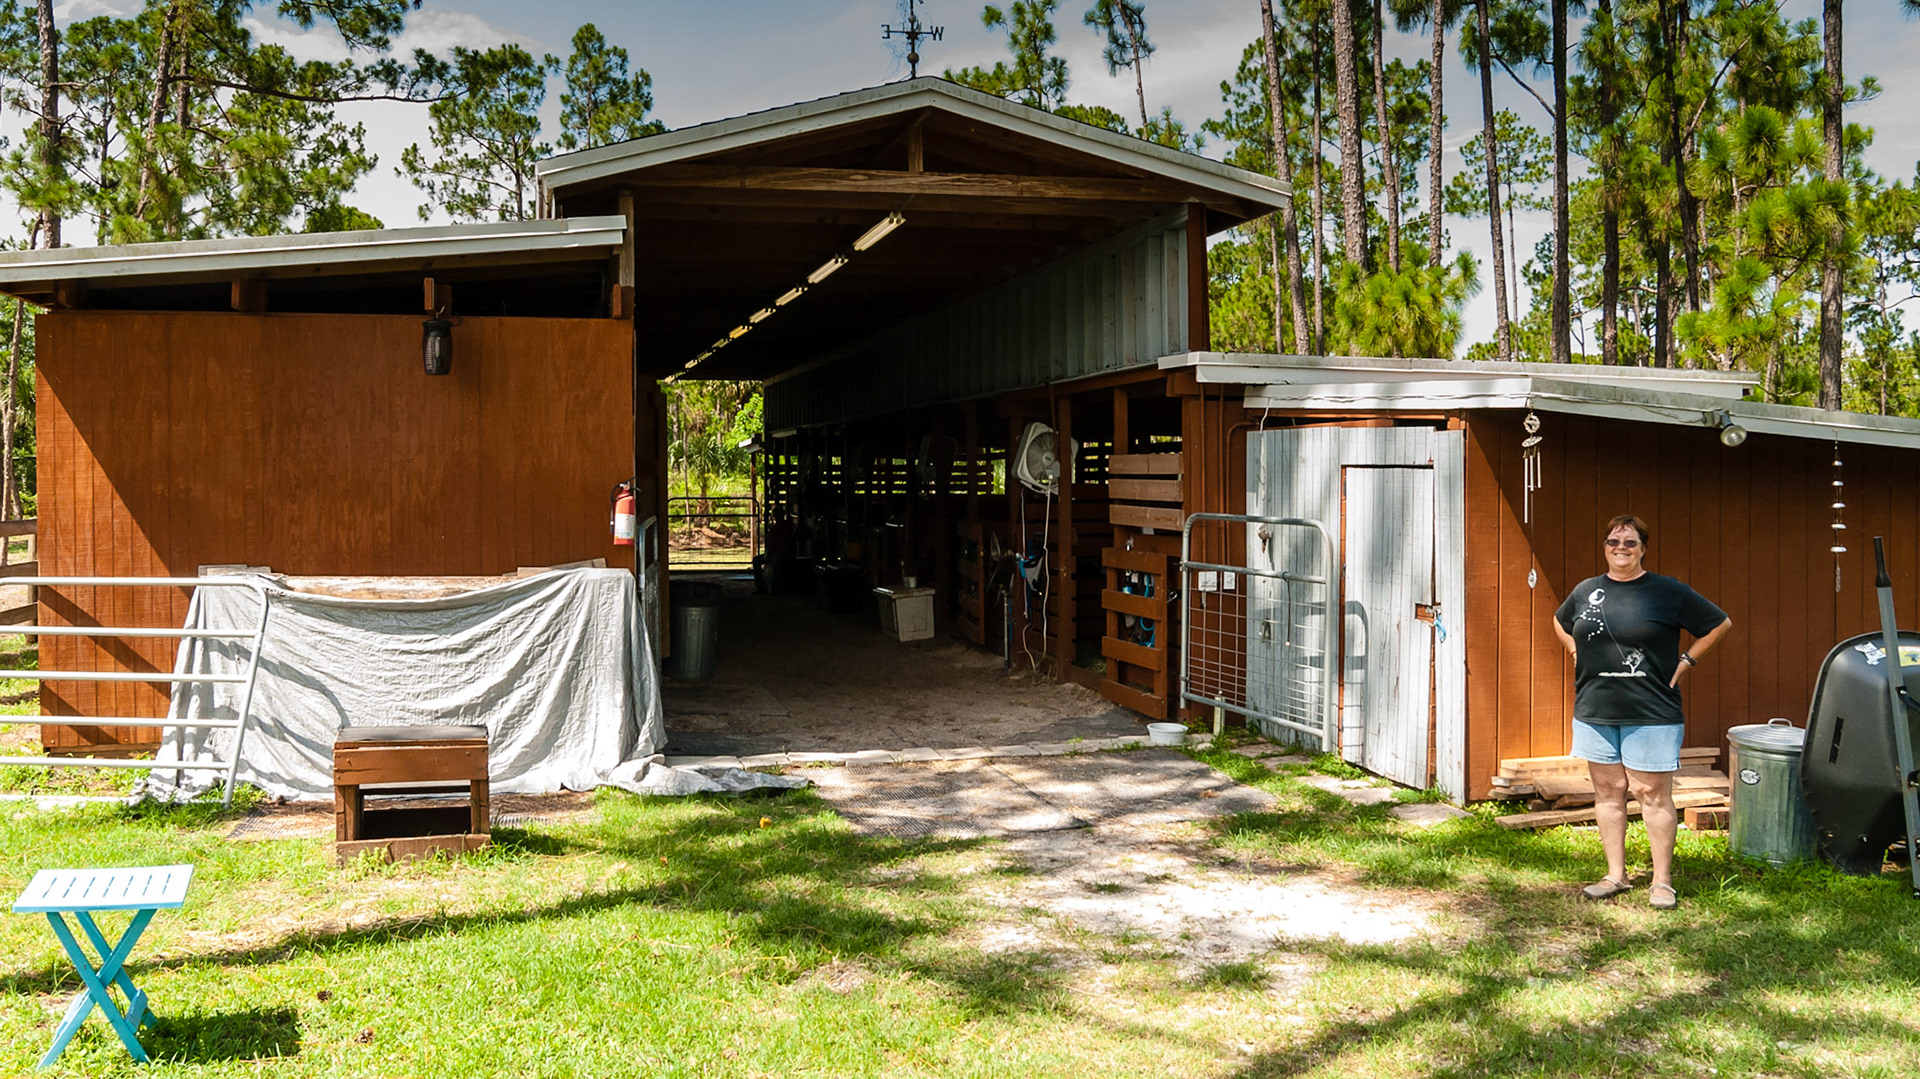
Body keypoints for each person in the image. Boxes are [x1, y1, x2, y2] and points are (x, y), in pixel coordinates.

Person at [1551, 514, 1731, 910]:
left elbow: (1718, 623)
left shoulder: (1667, 591)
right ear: (1605, 547)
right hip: (1595, 708)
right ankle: (1616, 874)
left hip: (1652, 710)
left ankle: (1662, 881)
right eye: (1613, 542)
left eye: (1629, 543)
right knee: (1608, 791)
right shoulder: (1587, 590)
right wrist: (1575, 650)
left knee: (1651, 793)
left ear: (1643, 549)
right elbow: (1560, 621)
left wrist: (1686, 661)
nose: (1620, 549)